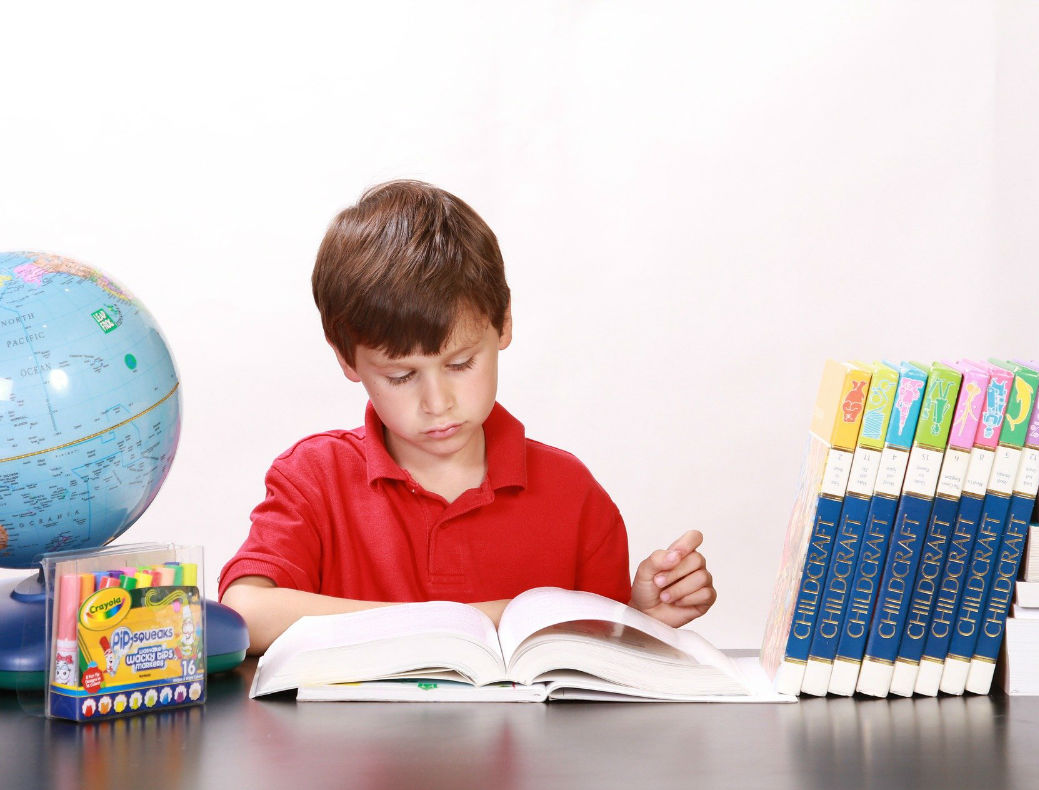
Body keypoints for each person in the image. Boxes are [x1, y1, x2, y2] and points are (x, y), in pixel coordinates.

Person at [219, 179, 716, 653]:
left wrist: (640, 619)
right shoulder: (314, 477)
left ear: (503, 325)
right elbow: (246, 611)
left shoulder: (573, 494)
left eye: (460, 365)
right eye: (400, 376)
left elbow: (599, 656)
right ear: (347, 360)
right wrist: (475, 619)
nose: (438, 403)